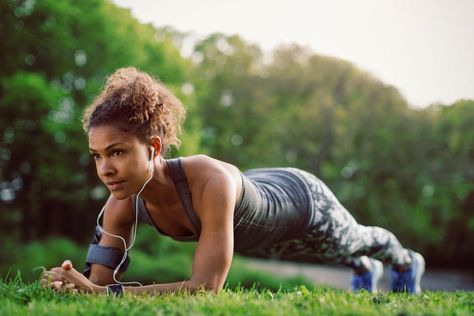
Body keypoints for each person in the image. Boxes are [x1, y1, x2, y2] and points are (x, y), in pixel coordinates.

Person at [41, 67, 425, 296]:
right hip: (260, 218)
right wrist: (70, 281)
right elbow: (98, 284)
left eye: (118, 152)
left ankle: (406, 263)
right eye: (97, 155)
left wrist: (103, 294)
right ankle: (362, 270)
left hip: (301, 200)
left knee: (353, 240)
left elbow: (206, 286)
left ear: (154, 147)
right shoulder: (120, 202)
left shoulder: (209, 181)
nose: (105, 168)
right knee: (316, 253)